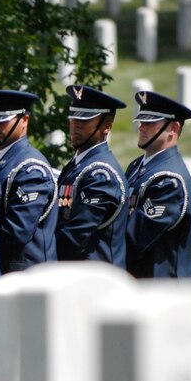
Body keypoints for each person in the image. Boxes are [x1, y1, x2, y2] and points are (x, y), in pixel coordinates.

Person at [124, 90, 191, 278]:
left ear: (173, 128)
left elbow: (135, 238)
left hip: (160, 290)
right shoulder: (137, 166)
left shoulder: (169, 181)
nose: (142, 127)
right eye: (141, 122)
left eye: (150, 123)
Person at [0, 90, 58, 272]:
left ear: (24, 121)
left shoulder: (31, 168)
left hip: (27, 273)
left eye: (2, 120)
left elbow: (17, 231)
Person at [54, 85, 128, 269]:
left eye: (85, 119)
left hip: (96, 281)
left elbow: (74, 236)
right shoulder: (79, 164)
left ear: (106, 127)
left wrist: (39, 249)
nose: (76, 124)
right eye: (74, 118)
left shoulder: (101, 175)